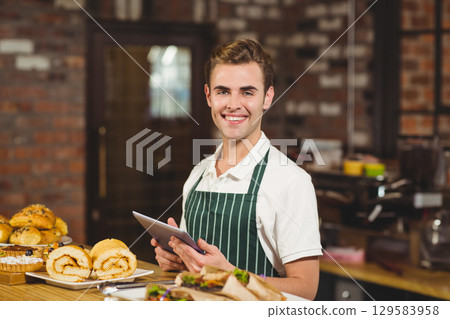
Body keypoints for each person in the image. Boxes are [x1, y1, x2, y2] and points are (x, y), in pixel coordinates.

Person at [151, 39, 322, 300]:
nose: (233, 104)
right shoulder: (198, 175)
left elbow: (306, 289)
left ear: (267, 97)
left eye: (247, 92)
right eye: (223, 91)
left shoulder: (290, 181)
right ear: (208, 96)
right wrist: (179, 260)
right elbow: (198, 270)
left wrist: (232, 274)